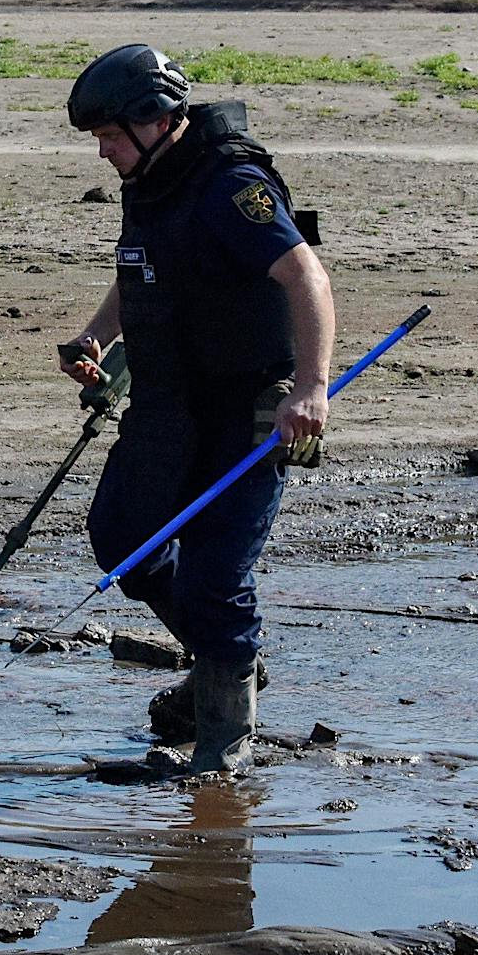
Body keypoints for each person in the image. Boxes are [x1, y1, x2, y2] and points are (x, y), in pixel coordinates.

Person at [59, 44, 335, 777]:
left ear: (154, 120)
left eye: (110, 137)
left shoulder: (231, 187)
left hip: (246, 415)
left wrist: (311, 387)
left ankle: (220, 756)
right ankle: (229, 655)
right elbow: (142, 270)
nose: (103, 153)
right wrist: (96, 336)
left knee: (216, 576)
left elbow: (305, 273)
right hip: (165, 405)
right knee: (121, 535)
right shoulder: (151, 181)